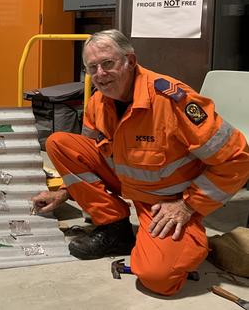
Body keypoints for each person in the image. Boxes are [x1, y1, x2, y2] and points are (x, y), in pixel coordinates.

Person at [31, 29, 249, 296]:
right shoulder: (98, 102)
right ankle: (114, 229)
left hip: (166, 200)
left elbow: (237, 159)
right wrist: (64, 192)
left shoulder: (172, 100)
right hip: (128, 183)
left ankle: (194, 241)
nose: (100, 74)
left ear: (130, 62)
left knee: (158, 277)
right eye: (92, 67)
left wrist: (186, 205)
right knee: (60, 143)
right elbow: (90, 158)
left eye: (108, 63)